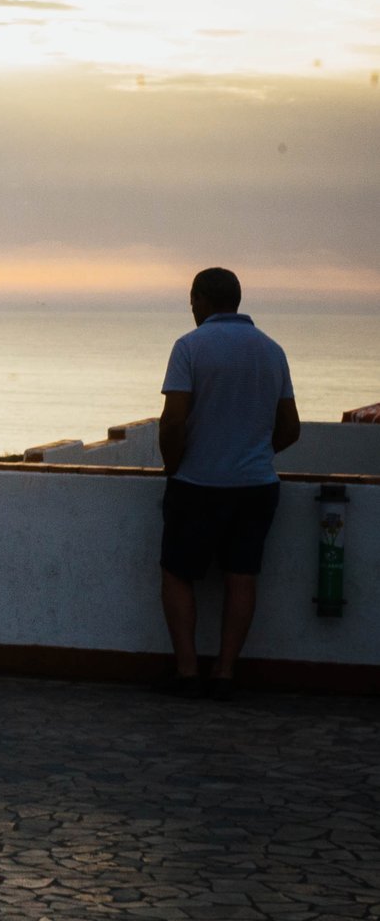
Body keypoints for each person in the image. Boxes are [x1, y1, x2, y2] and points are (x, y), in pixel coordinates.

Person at [156, 268, 299, 699]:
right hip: (256, 487)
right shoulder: (272, 351)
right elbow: (290, 428)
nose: (191, 307)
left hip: (197, 484)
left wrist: (173, 465)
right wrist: (254, 452)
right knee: (242, 576)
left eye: (192, 299)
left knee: (178, 574)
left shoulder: (189, 347)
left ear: (202, 299)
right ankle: (225, 674)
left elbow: (174, 419)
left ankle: (186, 672)